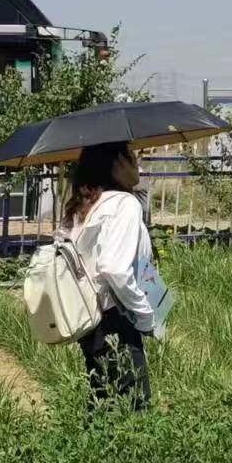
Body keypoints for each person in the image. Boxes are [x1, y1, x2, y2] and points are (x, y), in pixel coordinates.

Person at [62, 142, 164, 408]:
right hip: (116, 318)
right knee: (134, 407)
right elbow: (114, 267)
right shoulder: (124, 204)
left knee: (103, 402)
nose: (137, 163)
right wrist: (145, 315)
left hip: (90, 318)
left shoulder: (86, 205)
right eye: (130, 155)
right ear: (116, 164)